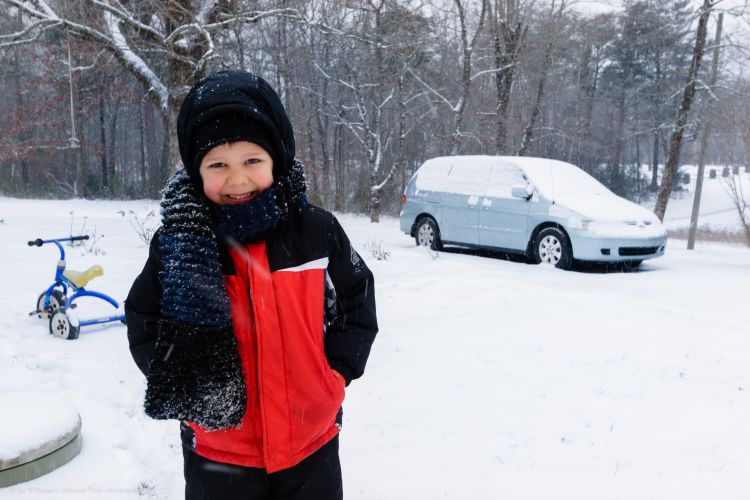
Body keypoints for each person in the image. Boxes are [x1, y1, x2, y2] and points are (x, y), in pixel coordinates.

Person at [124, 69, 378, 500]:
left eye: (252, 161)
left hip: (309, 444)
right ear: (196, 168)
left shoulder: (316, 232)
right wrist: (185, 383)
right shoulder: (180, 243)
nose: (237, 179)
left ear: (276, 159)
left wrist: (333, 377)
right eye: (218, 165)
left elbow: (357, 301)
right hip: (219, 452)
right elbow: (143, 318)